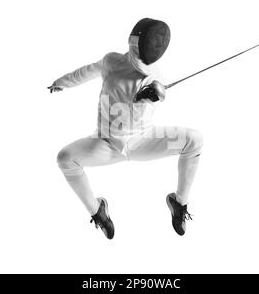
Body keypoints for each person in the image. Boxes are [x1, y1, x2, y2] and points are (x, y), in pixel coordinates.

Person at [48, 18, 203, 239]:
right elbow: (86, 71)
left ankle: (179, 202)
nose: (155, 47)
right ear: (135, 40)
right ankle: (97, 210)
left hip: (143, 140)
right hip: (106, 143)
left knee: (194, 139)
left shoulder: (155, 76)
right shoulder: (112, 61)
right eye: (152, 41)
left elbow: (156, 97)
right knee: (65, 158)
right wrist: (61, 82)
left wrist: (152, 95)